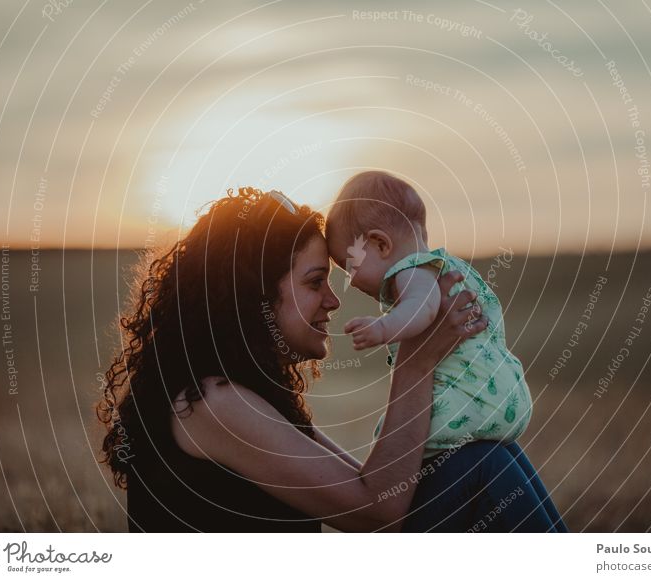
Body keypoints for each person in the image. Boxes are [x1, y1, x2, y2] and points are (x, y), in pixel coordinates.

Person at [96, 186, 487, 532]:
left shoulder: (248, 395)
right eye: (316, 281)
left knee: (479, 461)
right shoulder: (214, 404)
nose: (334, 301)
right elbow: (378, 512)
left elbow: (376, 495)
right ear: (256, 296)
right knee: (484, 467)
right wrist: (417, 359)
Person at [326, 171, 567, 532]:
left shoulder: (411, 273)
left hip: (458, 401)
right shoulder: (441, 266)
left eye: (350, 267)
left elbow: (421, 310)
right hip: (492, 395)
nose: (351, 282)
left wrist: (383, 328)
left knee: (473, 458)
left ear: (380, 244)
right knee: (493, 458)